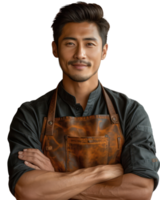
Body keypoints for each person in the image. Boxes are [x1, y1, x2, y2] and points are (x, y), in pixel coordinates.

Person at [6, 1, 159, 200]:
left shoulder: (131, 111)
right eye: (70, 43)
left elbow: (140, 189)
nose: (80, 54)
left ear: (105, 51)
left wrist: (55, 180)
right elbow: (27, 190)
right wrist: (102, 172)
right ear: (54, 49)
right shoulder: (29, 114)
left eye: (89, 44)